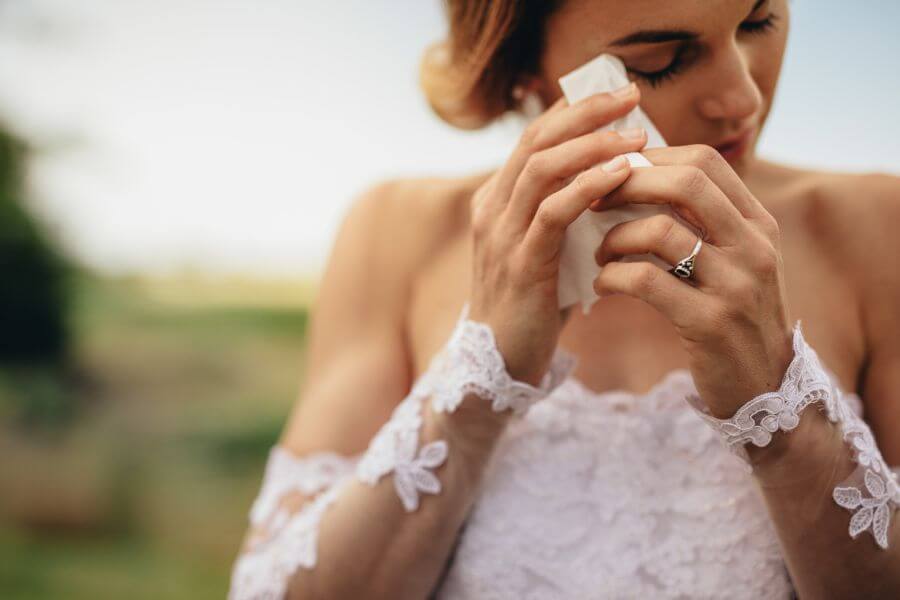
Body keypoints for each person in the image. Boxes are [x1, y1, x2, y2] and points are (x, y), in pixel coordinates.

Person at [228, 1, 900, 598]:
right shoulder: (396, 232)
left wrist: (780, 410)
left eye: (759, 20)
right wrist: (479, 381)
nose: (741, 97)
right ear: (523, 70)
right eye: (659, 61)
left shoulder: (876, 227)